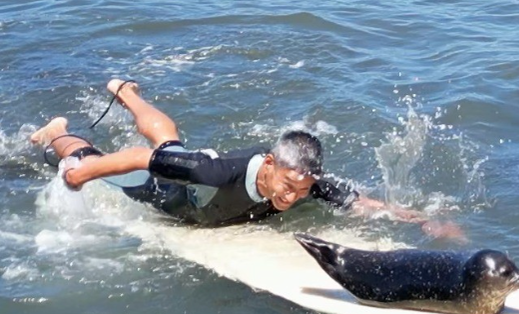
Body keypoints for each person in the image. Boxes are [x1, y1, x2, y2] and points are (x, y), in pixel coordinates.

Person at [31, 79, 466, 239]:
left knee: (172, 142)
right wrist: (83, 173)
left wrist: (423, 220)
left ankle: (126, 91)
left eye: (303, 191)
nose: (293, 198)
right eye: (288, 187)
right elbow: (141, 157)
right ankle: (58, 133)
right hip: (171, 193)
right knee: (142, 154)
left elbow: (365, 204)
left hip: (192, 174)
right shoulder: (213, 172)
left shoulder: (310, 181)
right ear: (272, 164)